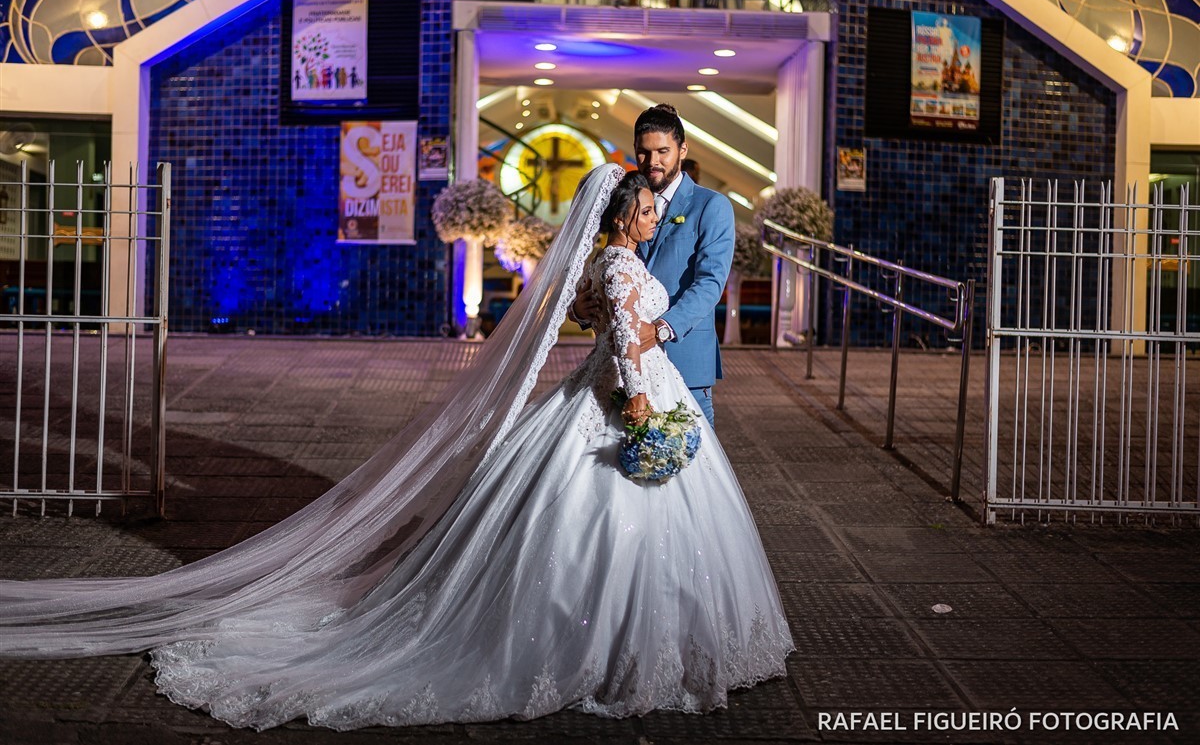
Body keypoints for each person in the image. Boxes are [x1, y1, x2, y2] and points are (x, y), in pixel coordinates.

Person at [0, 165, 792, 731]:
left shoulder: (604, 262)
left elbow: (588, 314)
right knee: (611, 531)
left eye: (656, 208)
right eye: (649, 209)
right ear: (624, 215)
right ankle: (612, 648)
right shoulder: (623, 263)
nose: (657, 216)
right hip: (627, 401)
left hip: (611, 390)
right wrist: (647, 415)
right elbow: (619, 342)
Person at [573, 105, 734, 427]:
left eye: (663, 151)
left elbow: (709, 284)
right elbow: (606, 269)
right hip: (621, 367)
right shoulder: (621, 202)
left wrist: (661, 329)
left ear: (682, 150)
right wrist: (579, 308)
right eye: (644, 153)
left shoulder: (712, 206)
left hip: (684, 358)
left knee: (693, 463)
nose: (653, 162)